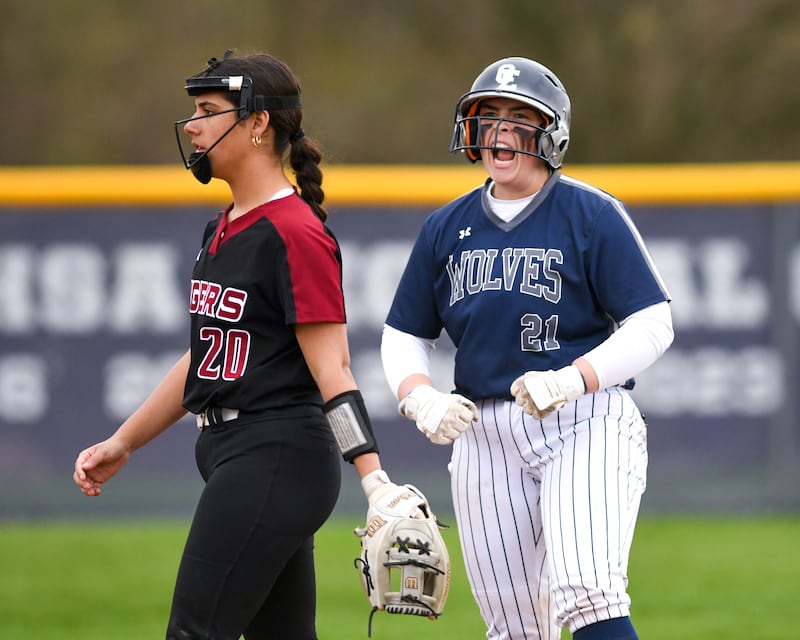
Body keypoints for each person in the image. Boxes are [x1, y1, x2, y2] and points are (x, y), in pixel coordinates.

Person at [73, 50, 405, 640]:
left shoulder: (295, 232)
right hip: (244, 453)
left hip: (277, 456)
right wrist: (125, 441)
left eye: (208, 110)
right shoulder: (223, 225)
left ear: (258, 124)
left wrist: (374, 480)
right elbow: (205, 357)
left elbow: (335, 372)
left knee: (194, 631)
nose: (193, 125)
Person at [381, 56, 674, 640]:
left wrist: (574, 378)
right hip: (483, 433)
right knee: (514, 626)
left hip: (583, 420)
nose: (500, 132)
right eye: (487, 116)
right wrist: (420, 399)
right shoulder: (446, 226)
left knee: (588, 589)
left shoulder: (590, 212)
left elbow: (652, 323)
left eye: (520, 118)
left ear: (551, 134)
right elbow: (405, 334)